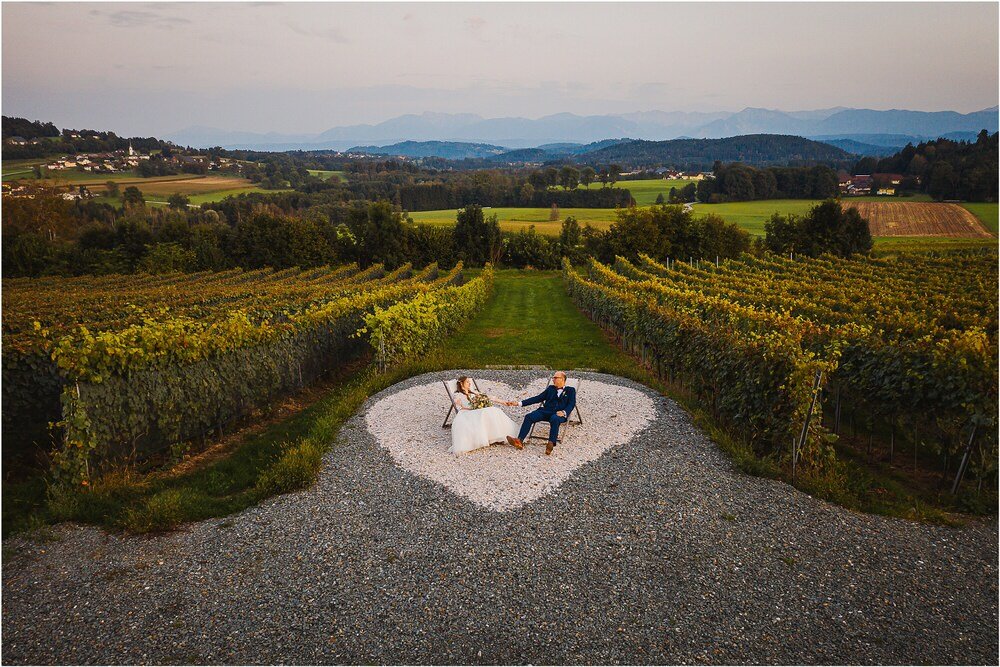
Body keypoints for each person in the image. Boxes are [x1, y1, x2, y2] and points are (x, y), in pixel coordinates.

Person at [504, 371, 576, 456]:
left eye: (555, 378)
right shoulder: (550, 388)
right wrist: (519, 403)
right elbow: (537, 398)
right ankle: (519, 441)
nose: (553, 379)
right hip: (545, 411)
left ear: (562, 379)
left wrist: (564, 412)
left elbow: (571, 404)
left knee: (555, 418)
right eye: (553, 378)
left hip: (558, 414)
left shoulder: (570, 390)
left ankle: (551, 443)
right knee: (529, 416)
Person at [449, 376, 521, 455]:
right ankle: (494, 437)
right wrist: (473, 408)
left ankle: (505, 435)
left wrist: (504, 402)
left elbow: (489, 398)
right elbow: (459, 408)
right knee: (485, 412)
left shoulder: (474, 393)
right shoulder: (458, 395)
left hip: (478, 410)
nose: (470, 383)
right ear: (461, 384)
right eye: (467, 382)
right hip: (467, 413)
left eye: (470, 382)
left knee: (494, 410)